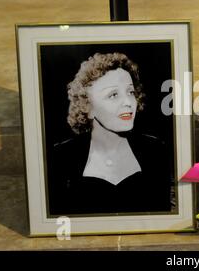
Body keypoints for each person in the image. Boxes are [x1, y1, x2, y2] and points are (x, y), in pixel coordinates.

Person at [48, 52, 173, 215]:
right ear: (88, 107)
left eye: (131, 92)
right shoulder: (61, 157)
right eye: (113, 95)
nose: (128, 103)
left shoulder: (155, 151)